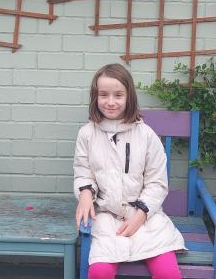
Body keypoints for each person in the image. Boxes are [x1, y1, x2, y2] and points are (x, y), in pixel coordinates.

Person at [74, 63, 185, 279]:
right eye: (103, 95)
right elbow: (83, 171)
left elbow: (157, 182)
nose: (111, 102)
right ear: (95, 97)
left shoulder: (146, 135)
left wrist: (140, 215)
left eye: (118, 95)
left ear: (129, 97)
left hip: (145, 218)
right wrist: (85, 193)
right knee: (99, 272)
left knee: (167, 273)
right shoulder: (87, 134)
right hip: (106, 217)